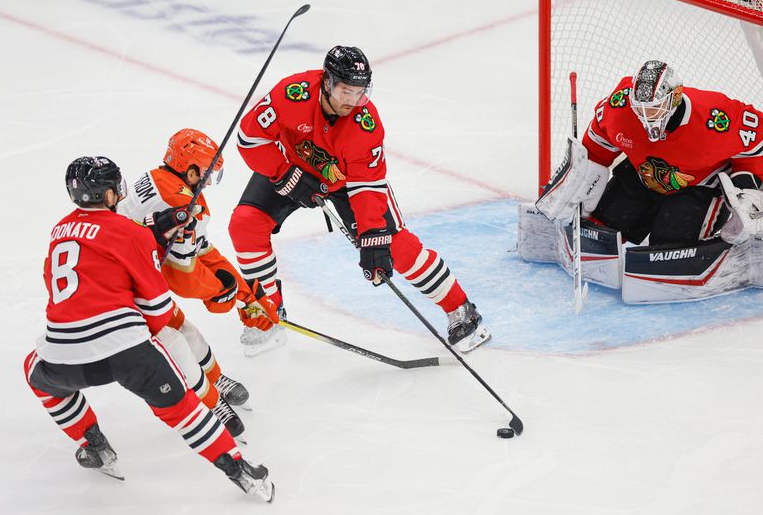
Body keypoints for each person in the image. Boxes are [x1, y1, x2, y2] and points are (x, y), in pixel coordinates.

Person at [23, 156, 274, 502]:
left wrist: (155, 230)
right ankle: (240, 470)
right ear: (111, 194)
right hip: (127, 352)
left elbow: (88, 259)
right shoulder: (130, 234)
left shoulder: (59, 232)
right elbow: (157, 310)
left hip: (64, 356)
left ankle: (94, 446)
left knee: (34, 372)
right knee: (180, 406)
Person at [227, 45, 491, 355]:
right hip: (291, 166)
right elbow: (250, 138)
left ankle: (461, 310)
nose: (352, 101)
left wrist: (372, 236)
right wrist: (283, 173)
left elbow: (367, 185)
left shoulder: (366, 125)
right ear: (327, 82)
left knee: (395, 246)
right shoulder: (292, 94)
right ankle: (268, 310)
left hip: (347, 182)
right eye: (344, 91)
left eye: (359, 92)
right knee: (245, 225)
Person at [118, 129, 280, 436]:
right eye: (206, 174)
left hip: (133, 277)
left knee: (184, 332)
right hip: (123, 293)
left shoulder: (160, 179)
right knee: (174, 344)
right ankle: (213, 401)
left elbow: (202, 250)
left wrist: (247, 294)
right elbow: (183, 276)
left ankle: (215, 380)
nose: (207, 182)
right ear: (191, 169)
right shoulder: (181, 203)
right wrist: (222, 292)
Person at [537, 59, 763, 246]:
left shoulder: (715, 118)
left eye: (653, 108)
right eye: (640, 108)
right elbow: (597, 145)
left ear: (674, 98)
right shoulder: (620, 106)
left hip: (698, 187)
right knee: (600, 230)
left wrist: (748, 184)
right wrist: (583, 172)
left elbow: (757, 137)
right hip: (641, 176)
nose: (645, 116)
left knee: (669, 248)